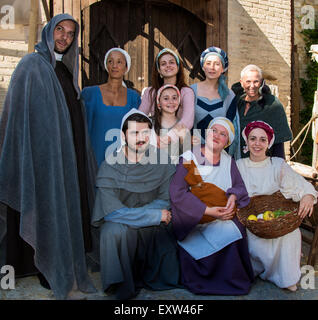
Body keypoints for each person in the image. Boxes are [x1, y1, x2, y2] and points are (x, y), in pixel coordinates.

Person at [0, 14, 97, 299]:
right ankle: (40, 266)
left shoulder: (65, 71)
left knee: (61, 206)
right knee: (41, 206)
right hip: (39, 155)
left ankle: (58, 260)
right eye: (60, 30)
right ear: (48, 31)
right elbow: (17, 115)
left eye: (70, 33)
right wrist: (39, 150)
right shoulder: (32, 64)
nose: (64, 37)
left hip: (66, 156)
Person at [91, 108, 181, 300]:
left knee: (165, 227)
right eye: (134, 133)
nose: (141, 138)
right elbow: (112, 213)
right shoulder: (110, 165)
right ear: (123, 135)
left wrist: (141, 216)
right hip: (124, 221)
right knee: (113, 231)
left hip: (150, 224)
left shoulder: (162, 160)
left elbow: (166, 200)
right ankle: (118, 284)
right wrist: (152, 216)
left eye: (145, 133)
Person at [169, 117, 254, 295]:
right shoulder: (189, 158)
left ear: (227, 142)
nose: (216, 136)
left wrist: (233, 196)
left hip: (221, 215)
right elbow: (177, 193)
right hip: (195, 217)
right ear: (206, 133)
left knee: (235, 228)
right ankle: (202, 280)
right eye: (214, 131)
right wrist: (206, 211)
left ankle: (231, 280)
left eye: (223, 134)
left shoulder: (228, 161)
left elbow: (239, 187)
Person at [236, 120, 317, 291]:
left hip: (276, 220)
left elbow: (300, 185)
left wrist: (308, 196)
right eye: (253, 139)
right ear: (247, 141)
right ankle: (260, 270)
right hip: (251, 220)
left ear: (269, 143)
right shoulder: (239, 165)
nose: (257, 144)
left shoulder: (277, 164)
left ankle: (286, 278)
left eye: (262, 140)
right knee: (251, 236)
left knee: (292, 234)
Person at [82, 47, 141, 166]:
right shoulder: (90, 93)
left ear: (126, 67)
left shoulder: (134, 98)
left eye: (119, 62)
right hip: (94, 157)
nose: (114, 65)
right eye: (110, 61)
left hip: (123, 160)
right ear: (106, 66)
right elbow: (82, 127)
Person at [232, 64, 292, 159]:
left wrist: (279, 165)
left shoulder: (272, 104)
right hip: (237, 161)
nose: (252, 86)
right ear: (241, 83)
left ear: (261, 82)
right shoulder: (236, 103)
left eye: (256, 82)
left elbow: (278, 143)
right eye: (248, 82)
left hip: (262, 163)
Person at [139, 48, 194, 146]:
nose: (168, 65)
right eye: (163, 64)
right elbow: (140, 116)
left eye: (171, 62)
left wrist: (169, 137)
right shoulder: (151, 92)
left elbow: (188, 119)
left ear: (178, 66)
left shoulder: (186, 91)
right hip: (155, 141)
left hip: (179, 141)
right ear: (159, 70)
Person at [191, 47, 237, 143]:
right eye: (208, 63)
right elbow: (184, 122)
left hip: (218, 150)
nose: (212, 67)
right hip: (194, 150)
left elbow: (229, 127)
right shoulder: (191, 91)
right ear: (203, 67)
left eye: (217, 64)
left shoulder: (229, 96)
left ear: (223, 69)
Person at [152, 84, 191, 164]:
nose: (171, 102)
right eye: (166, 98)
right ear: (159, 103)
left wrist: (183, 140)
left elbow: (187, 158)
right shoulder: (150, 124)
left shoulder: (182, 127)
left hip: (173, 173)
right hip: (152, 173)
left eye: (174, 98)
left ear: (179, 102)